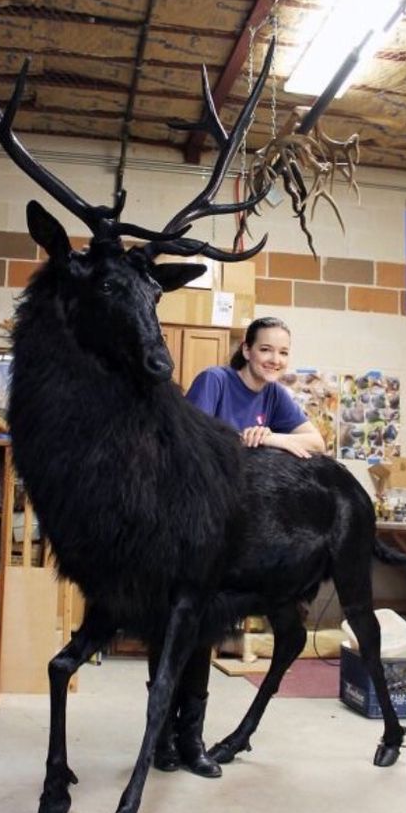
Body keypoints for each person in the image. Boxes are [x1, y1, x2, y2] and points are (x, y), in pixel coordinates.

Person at [149, 316, 325, 778]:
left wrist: (272, 438)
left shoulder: (275, 396)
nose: (275, 360)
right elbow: (186, 440)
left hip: (227, 535)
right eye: (266, 350)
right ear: (246, 349)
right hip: (186, 525)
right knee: (172, 629)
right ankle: (161, 739)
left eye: (283, 353)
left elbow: (317, 442)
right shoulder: (216, 381)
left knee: (204, 630)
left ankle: (191, 741)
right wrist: (236, 441)